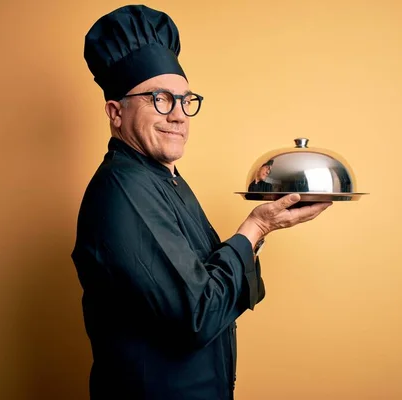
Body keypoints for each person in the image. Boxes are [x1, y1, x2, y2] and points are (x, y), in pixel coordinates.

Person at [71, 5, 332, 400]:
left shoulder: (163, 177)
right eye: (159, 99)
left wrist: (262, 228)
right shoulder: (123, 190)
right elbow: (197, 316)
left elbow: (212, 283)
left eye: (185, 100)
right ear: (115, 112)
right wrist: (255, 227)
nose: (178, 115)